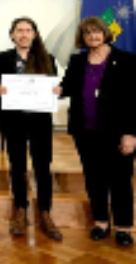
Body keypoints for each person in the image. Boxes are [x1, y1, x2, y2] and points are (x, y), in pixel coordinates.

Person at [56, 16, 136, 246]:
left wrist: (131, 133)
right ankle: (101, 222)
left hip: (118, 133)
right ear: (82, 37)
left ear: (105, 33)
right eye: (88, 32)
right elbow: (66, 88)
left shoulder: (127, 60)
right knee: (94, 179)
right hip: (85, 131)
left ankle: (123, 227)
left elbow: (134, 100)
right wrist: (49, 90)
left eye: (97, 31)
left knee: (120, 180)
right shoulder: (77, 61)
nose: (93, 36)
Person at [0, 17, 63, 240]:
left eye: (28, 30)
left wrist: (57, 90)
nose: (23, 34)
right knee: (17, 165)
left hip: (40, 121)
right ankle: (20, 209)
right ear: (12, 35)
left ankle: (45, 213)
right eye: (19, 30)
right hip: (13, 120)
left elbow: (53, 86)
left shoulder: (47, 59)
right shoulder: (2, 59)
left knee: (42, 166)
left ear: (34, 34)